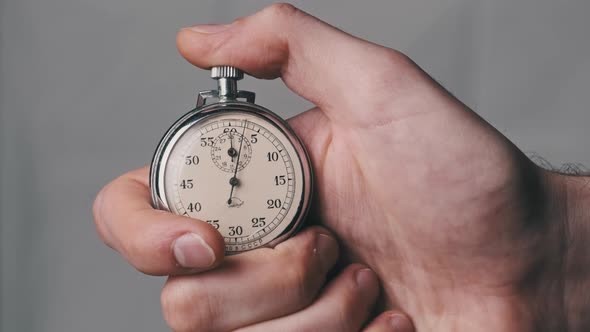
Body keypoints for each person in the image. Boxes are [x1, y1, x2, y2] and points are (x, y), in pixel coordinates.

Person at [92, 4, 590, 331]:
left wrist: (557, 248)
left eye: (243, 167)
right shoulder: (206, 159)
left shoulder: (289, 153)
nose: (235, 178)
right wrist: (554, 248)